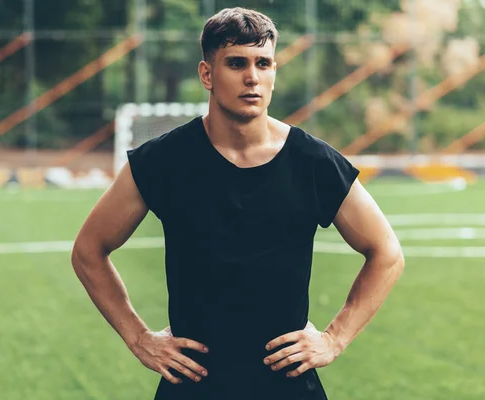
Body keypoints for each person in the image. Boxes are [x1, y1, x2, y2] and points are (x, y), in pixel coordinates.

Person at [71, 7, 404, 400]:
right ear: (207, 74)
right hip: (193, 385)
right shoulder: (164, 161)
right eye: (236, 63)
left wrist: (334, 339)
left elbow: (387, 253)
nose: (252, 77)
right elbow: (88, 251)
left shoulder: (312, 162)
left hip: (287, 386)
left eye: (263, 63)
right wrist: (138, 337)